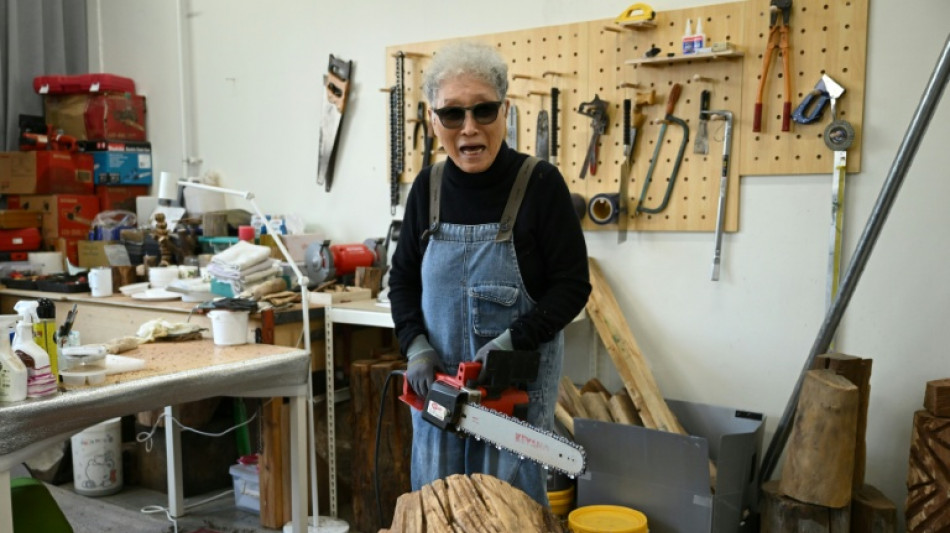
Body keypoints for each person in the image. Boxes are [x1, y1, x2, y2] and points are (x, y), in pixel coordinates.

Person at [388, 40, 591, 506]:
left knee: (509, 512)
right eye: (453, 114)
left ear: (505, 110)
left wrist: (512, 343)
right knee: (438, 509)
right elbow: (402, 281)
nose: (469, 128)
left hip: (511, 408)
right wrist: (416, 347)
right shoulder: (427, 189)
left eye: (484, 110)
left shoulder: (539, 185)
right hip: (439, 401)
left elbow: (572, 285)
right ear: (433, 117)